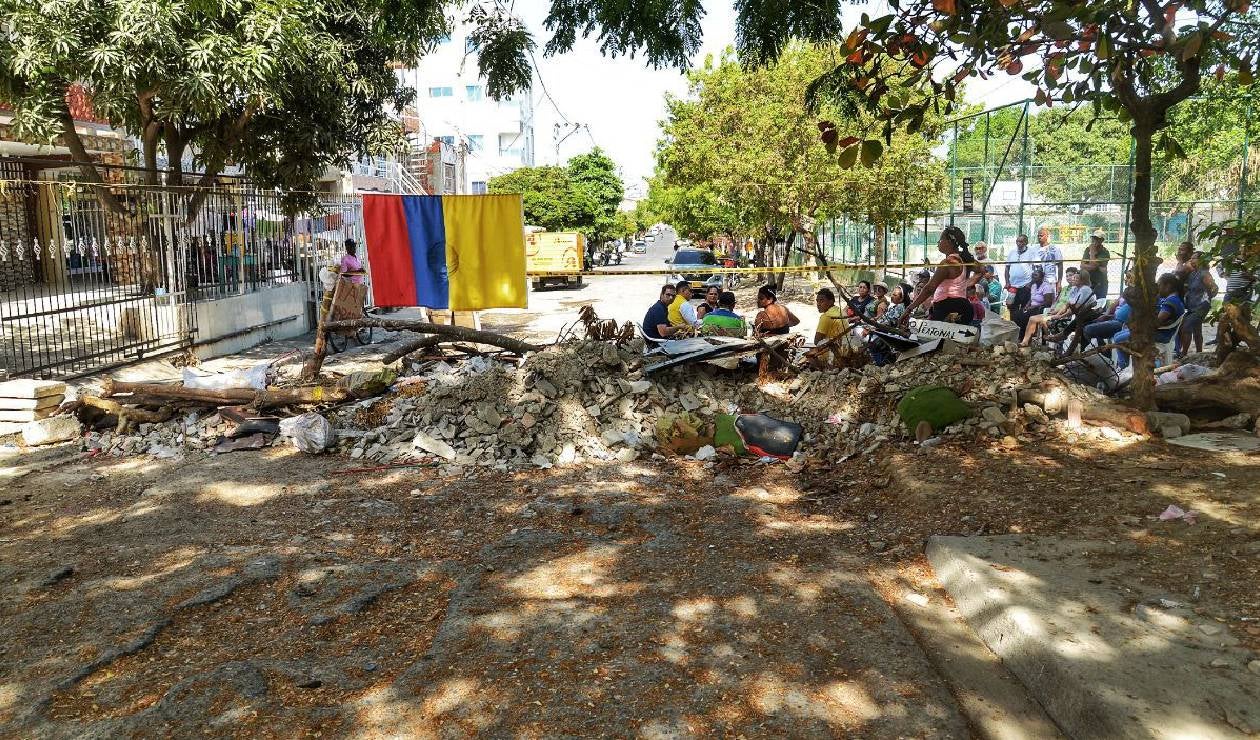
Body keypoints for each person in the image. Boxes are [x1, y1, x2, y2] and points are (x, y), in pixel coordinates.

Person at [902, 225, 976, 325]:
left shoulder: (948, 262)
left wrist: (909, 308)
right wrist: (965, 285)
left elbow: (929, 288)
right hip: (961, 307)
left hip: (948, 309)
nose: (938, 243)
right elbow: (982, 270)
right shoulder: (962, 260)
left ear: (949, 242)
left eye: (941, 239)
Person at [1113, 273, 1186, 368]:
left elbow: (1156, 322)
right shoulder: (1173, 299)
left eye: (1159, 285)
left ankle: (1124, 367)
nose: (1157, 288)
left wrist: (1142, 322)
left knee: (1118, 339)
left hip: (1161, 335)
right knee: (1117, 335)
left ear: (1167, 286)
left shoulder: (1171, 301)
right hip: (1159, 332)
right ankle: (1125, 366)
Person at [1020, 267, 1094, 346]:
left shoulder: (1085, 290)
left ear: (1082, 279)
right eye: (1072, 277)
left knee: (1042, 320)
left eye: (1075, 277)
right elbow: (1066, 305)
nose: (1073, 279)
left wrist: (1059, 316)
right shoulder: (1074, 288)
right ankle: (1025, 342)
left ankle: (1053, 341)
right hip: (1061, 313)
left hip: (1074, 317)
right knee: (1031, 318)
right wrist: (1056, 313)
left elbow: (1074, 309)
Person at [1177, 250, 1218, 357]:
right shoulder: (1193, 273)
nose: (1191, 260)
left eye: (1193, 258)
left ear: (1201, 260)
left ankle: (1184, 353)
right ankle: (1199, 352)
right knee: (1197, 329)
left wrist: (1207, 298)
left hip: (1201, 307)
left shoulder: (1204, 274)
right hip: (1192, 306)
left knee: (1186, 327)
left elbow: (1214, 287)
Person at [1009, 265, 1057, 338]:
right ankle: (1018, 335)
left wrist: (1033, 307)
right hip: (1032, 307)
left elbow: (1048, 302)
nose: (1033, 276)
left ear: (1041, 277)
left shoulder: (1046, 286)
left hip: (1041, 308)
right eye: (1033, 275)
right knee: (1016, 314)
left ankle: (1024, 337)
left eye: (1036, 275)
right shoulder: (1033, 285)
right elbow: (1031, 298)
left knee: (1024, 316)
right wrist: (1027, 306)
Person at [1004, 233, 1038, 311]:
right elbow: (1007, 268)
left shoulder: (1032, 252)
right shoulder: (1012, 252)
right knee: (1010, 306)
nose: (1019, 243)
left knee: (1024, 308)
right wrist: (1007, 282)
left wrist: (1030, 283)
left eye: (1021, 241)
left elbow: (1037, 269)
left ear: (1026, 242)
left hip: (1025, 286)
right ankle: (1012, 323)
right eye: (1017, 241)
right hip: (1012, 286)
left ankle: (1021, 323)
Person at [1080, 230, 1111, 301]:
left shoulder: (1105, 252)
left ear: (1102, 240)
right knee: (1087, 302)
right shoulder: (1087, 249)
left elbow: (1093, 266)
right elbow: (1082, 265)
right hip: (1089, 281)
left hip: (1100, 283)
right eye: (1094, 238)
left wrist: (1092, 252)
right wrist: (1097, 267)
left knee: (1100, 303)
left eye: (1097, 238)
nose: (1094, 240)